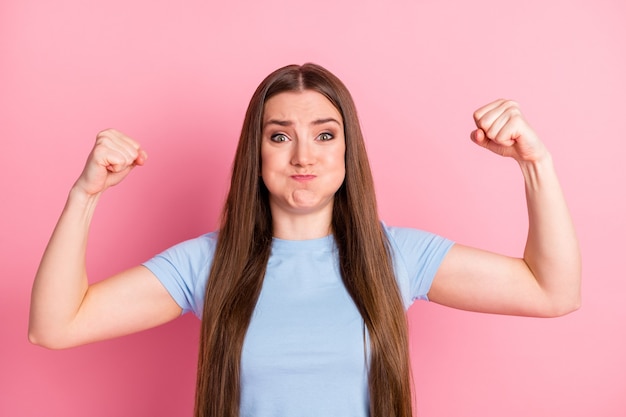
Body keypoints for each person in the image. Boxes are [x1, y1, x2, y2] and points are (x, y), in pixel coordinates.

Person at [28, 63, 581, 417]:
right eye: (279, 136)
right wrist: (85, 195)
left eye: (323, 134)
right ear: (257, 153)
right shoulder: (208, 264)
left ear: (347, 151)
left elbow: (551, 292)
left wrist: (536, 164)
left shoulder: (397, 257)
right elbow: (55, 325)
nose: (303, 156)